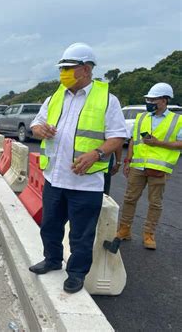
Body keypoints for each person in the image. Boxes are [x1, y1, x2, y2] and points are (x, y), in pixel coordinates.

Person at [28, 43, 127, 293]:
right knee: (50, 225)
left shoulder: (107, 100)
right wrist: (38, 129)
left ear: (85, 69)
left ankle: (76, 273)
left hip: (85, 183)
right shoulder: (55, 97)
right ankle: (52, 260)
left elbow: (117, 137)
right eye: (62, 68)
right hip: (55, 177)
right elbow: (35, 124)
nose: (63, 73)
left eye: (67, 68)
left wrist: (97, 153)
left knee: (81, 234)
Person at [117, 83, 182, 249]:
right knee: (129, 198)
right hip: (137, 167)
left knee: (155, 203)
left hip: (159, 169)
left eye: (153, 99)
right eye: (148, 99)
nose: (149, 102)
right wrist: (128, 160)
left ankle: (149, 234)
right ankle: (124, 230)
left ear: (164, 100)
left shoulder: (177, 120)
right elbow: (133, 140)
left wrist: (158, 143)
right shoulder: (141, 118)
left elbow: (180, 144)